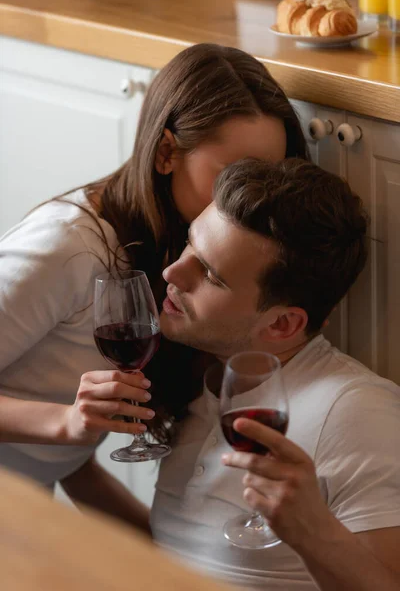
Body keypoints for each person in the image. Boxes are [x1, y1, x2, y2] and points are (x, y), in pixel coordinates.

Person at [0, 43, 308, 529]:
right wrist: (67, 424)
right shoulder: (68, 249)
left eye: (264, 179)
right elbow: (65, 432)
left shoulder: (172, 258)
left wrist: (163, 554)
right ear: (167, 153)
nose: (251, 204)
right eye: (230, 178)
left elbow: (67, 464)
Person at [151, 158, 400, 590]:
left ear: (282, 325)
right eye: (191, 244)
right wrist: (76, 463)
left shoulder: (356, 411)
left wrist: (312, 531)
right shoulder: (205, 380)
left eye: (209, 274)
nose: (173, 272)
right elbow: (179, 554)